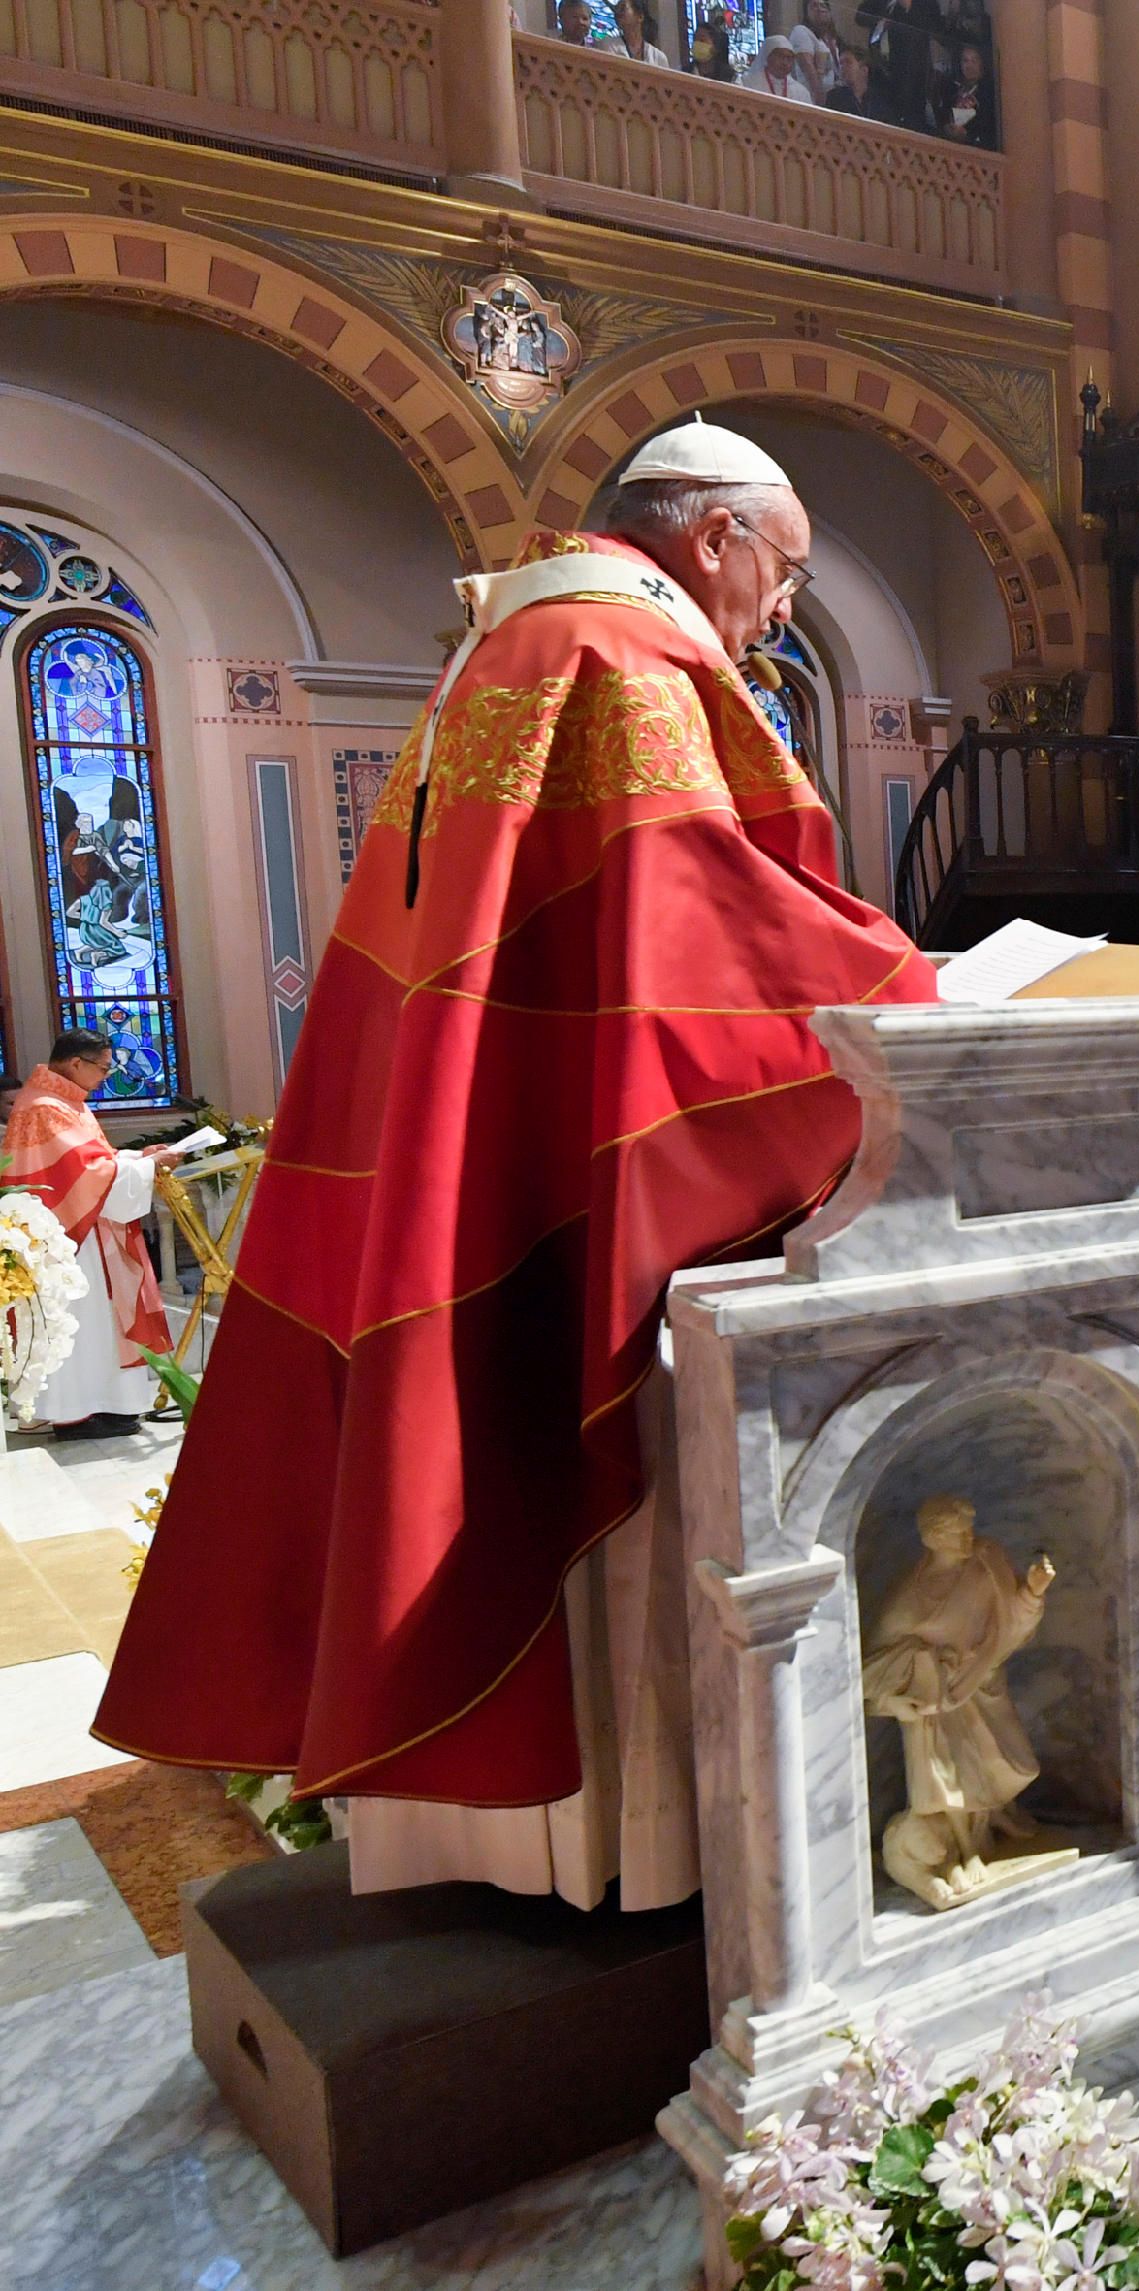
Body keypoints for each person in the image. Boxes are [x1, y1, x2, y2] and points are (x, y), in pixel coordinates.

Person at [95, 419, 936, 1911]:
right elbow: (721, 935)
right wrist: (910, 992)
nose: (787, 605)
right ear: (717, 536)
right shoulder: (626, 657)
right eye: (788, 570)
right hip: (573, 1144)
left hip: (490, 1125)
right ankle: (614, 1858)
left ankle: (510, 1846)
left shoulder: (522, 636)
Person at [4, 1027, 186, 1436]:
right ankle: (79, 1411)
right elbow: (82, 1174)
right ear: (75, 1063)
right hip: (67, 1235)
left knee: (99, 1323)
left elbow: (93, 1161)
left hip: (83, 1226)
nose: (105, 1076)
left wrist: (138, 1158)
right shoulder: (44, 1108)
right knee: (81, 1324)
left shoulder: (63, 1102)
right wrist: (145, 1168)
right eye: (102, 1068)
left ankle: (109, 1405)